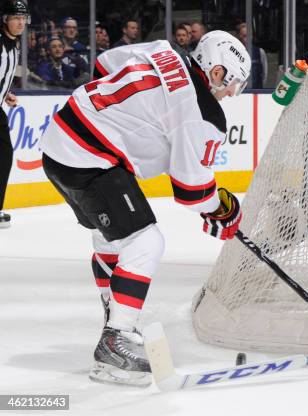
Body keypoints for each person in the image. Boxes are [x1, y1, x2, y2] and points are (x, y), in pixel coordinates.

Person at [40, 30, 251, 386]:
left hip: (59, 140)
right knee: (145, 242)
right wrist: (222, 209)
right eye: (233, 83)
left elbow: (102, 64)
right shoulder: (202, 112)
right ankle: (116, 339)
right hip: (90, 159)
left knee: (109, 239)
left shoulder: (162, 51)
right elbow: (192, 192)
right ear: (216, 72)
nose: (231, 93)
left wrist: (121, 121)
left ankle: (116, 322)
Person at [0, 0, 29, 229]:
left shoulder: (15, 44)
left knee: (4, 156)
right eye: (15, 18)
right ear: (4, 19)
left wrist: (5, 92)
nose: (20, 23)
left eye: (23, 18)